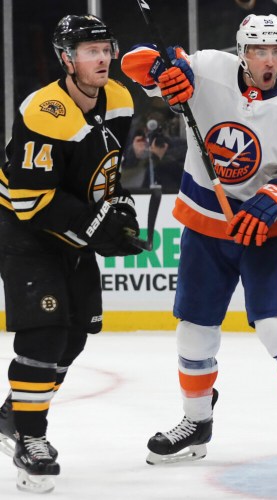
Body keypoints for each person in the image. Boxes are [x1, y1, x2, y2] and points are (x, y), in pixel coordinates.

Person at [120, 14, 277, 475]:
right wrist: (164, 73)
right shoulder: (208, 69)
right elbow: (137, 63)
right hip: (205, 226)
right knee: (193, 330)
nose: (270, 60)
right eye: (260, 51)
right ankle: (196, 422)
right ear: (242, 52)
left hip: (265, 236)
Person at [0, 14, 143, 493]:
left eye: (106, 48)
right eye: (89, 51)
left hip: (67, 223)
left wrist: (116, 210)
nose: (102, 58)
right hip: (24, 230)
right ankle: (30, 438)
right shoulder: (44, 110)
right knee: (45, 332)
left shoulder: (120, 98)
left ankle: (13, 414)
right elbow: (28, 199)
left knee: (76, 333)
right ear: (67, 59)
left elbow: (105, 171)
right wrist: (96, 226)